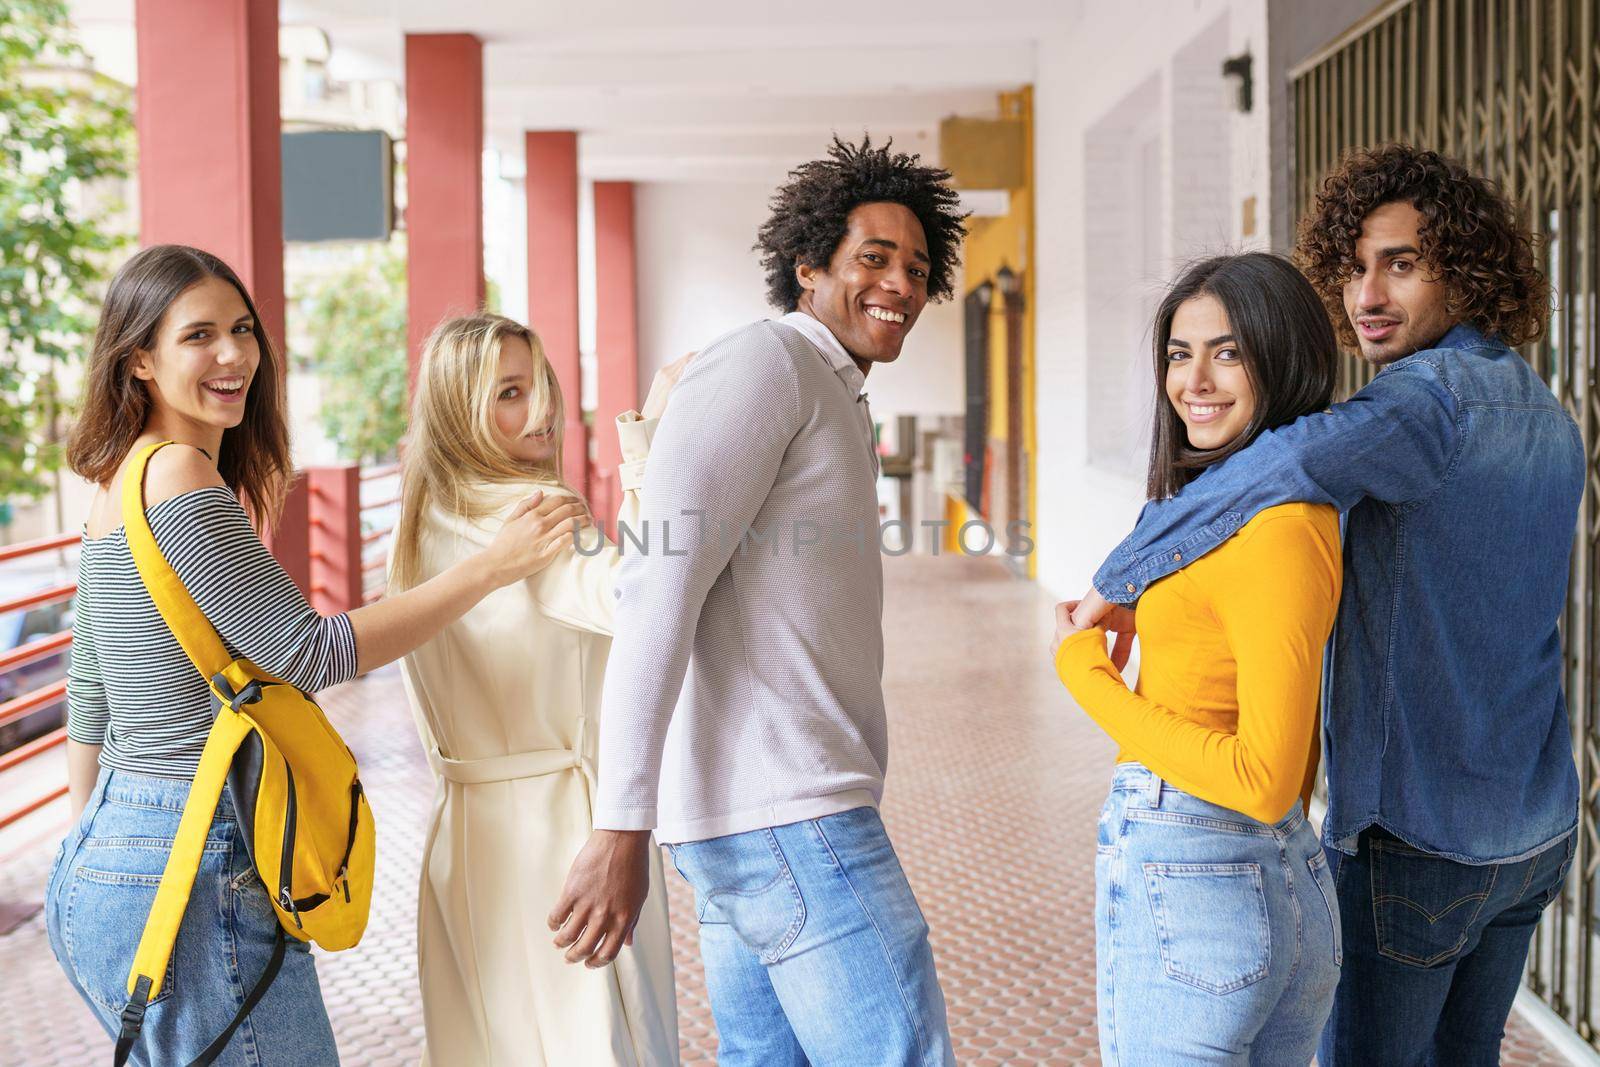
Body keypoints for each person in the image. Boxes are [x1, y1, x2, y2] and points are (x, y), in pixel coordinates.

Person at [1067, 145, 1581, 1066]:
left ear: (1466, 269)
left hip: (1422, 836)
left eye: (1402, 263)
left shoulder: (1425, 405)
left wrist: (1121, 573)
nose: (1367, 293)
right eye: (1352, 267)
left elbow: (1280, 463)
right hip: (1536, 828)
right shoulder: (1542, 406)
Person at [46, 245, 585, 1065]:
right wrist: (493, 565)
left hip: (110, 856)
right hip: (194, 860)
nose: (233, 355)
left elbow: (90, 691)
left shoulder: (114, 482)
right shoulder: (181, 475)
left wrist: (102, 848)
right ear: (141, 360)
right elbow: (311, 651)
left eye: (243, 329)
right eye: (199, 336)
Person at [547, 136, 968, 1066]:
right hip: (796, 818)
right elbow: (659, 585)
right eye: (873, 257)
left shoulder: (830, 385)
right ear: (808, 265)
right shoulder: (768, 363)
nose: (900, 282)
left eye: (917, 266)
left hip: (765, 821)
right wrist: (624, 820)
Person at [1054, 253, 1343, 1064]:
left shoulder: (1279, 526)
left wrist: (1083, 672)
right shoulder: (1239, 504)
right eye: (1181, 353)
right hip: (1258, 876)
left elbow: (1267, 777)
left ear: (1283, 357)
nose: (1196, 380)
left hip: (1204, 865)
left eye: (1229, 351)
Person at [388, 312, 690, 1067]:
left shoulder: (423, 522)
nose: (543, 411)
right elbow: (643, 596)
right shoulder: (534, 517)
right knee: (596, 1043)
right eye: (510, 394)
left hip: (463, 838)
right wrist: (649, 445)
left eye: (541, 386)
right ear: (462, 412)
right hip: (563, 835)